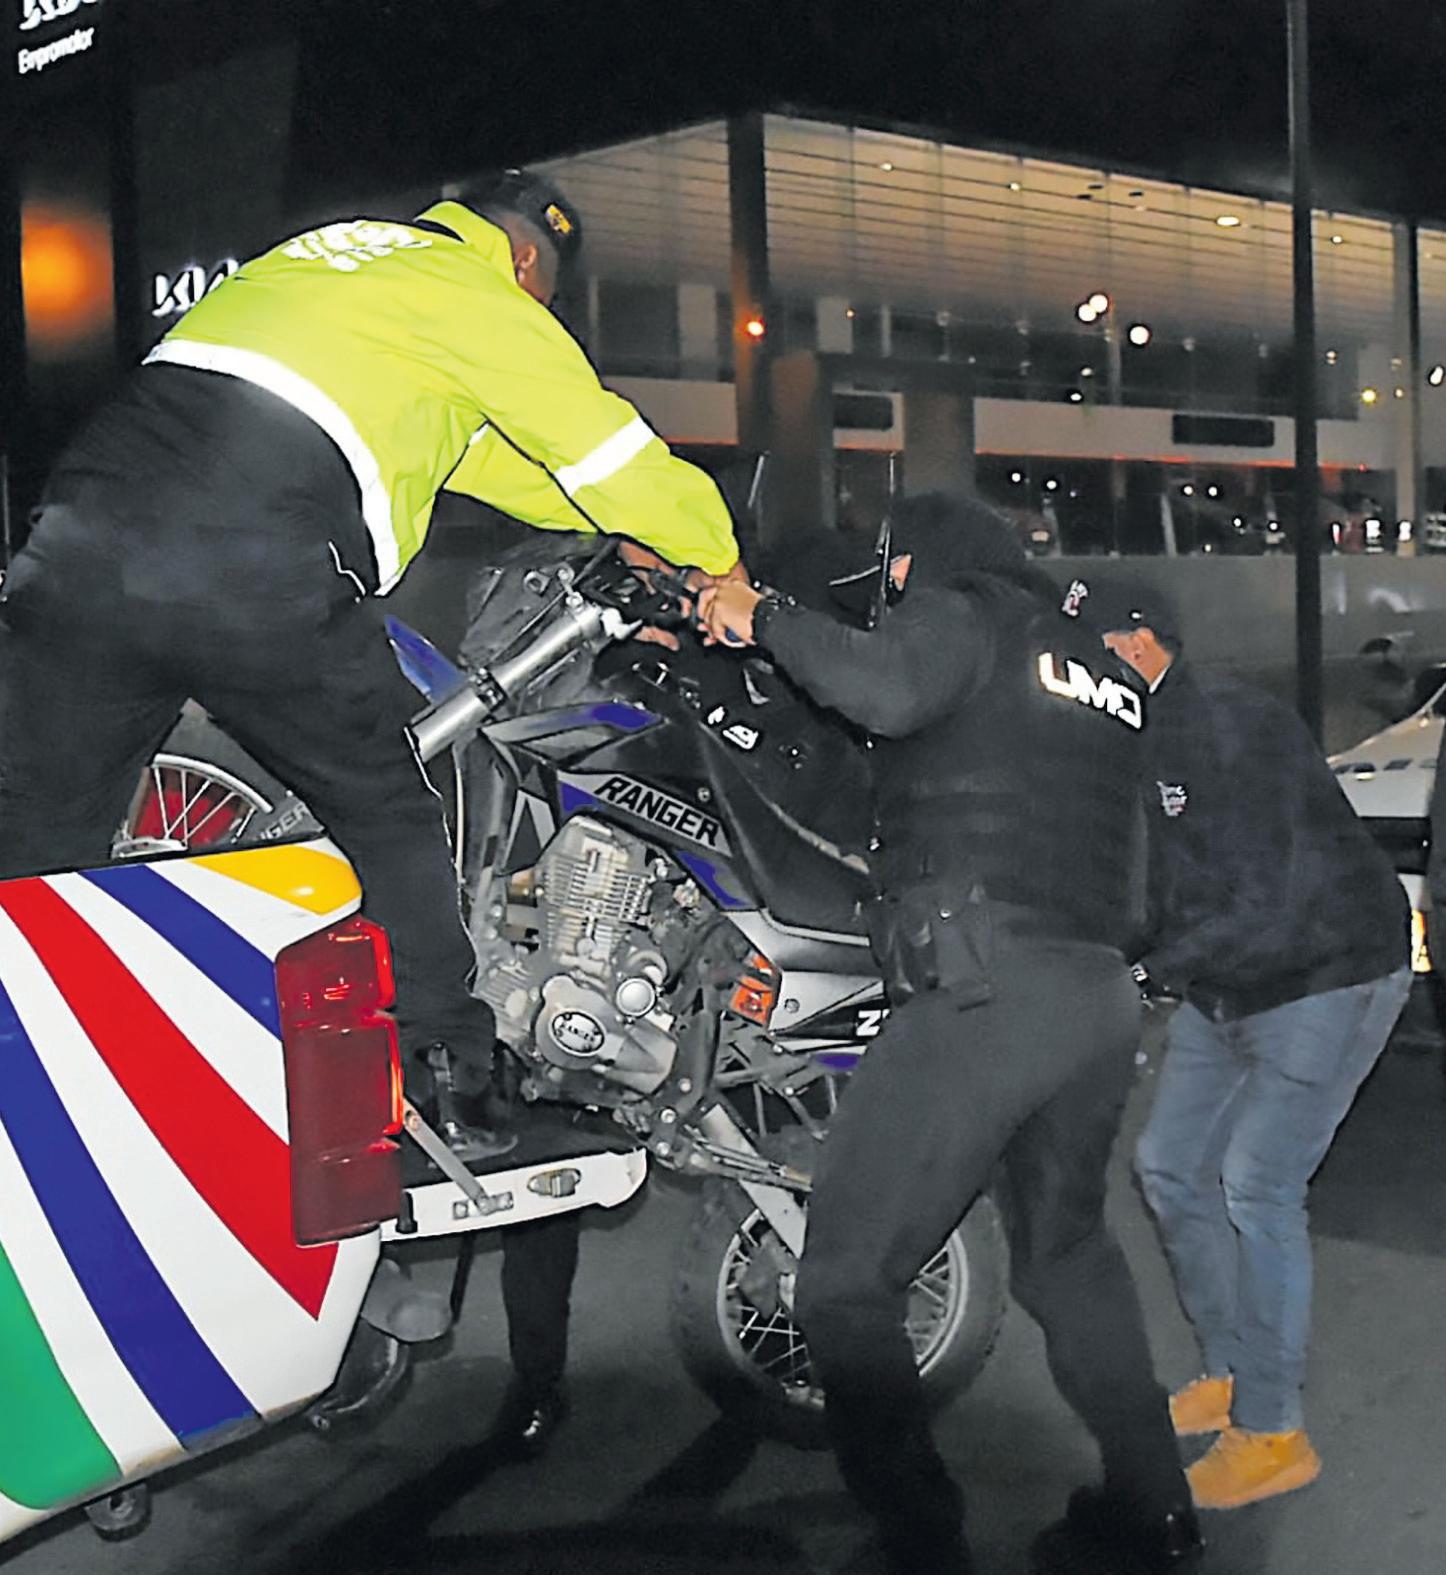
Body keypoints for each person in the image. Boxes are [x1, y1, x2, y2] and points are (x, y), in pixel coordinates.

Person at [0, 168, 741, 1163]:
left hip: (77, 538)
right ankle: (450, 1079)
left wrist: (621, 537)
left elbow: (510, 470)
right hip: (249, 560)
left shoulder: (331, 260)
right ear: (527, 261)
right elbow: (605, 455)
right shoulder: (475, 292)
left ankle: (27, 1069)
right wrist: (715, 562)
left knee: (39, 834)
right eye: (547, 296)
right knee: (392, 808)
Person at [698, 496, 1200, 1575]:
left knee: (844, 1283)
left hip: (986, 993)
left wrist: (761, 615)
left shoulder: (967, 612)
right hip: (1096, 997)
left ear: (924, 561)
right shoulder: (1100, 674)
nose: (887, 597)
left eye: (893, 577)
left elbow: (883, 688)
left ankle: (920, 1543)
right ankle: (1157, 1511)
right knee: (1067, 1256)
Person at [1077, 573, 1410, 1512]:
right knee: (1169, 1165)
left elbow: (1265, 898)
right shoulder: (1136, 735)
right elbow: (1154, 887)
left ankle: (1273, 1433)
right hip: (1232, 976)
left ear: (1138, 644)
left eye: (1084, 654)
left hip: (1329, 969)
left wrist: (1144, 976)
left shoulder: (1225, 726)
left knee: (1258, 1181)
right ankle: (1233, 1370)